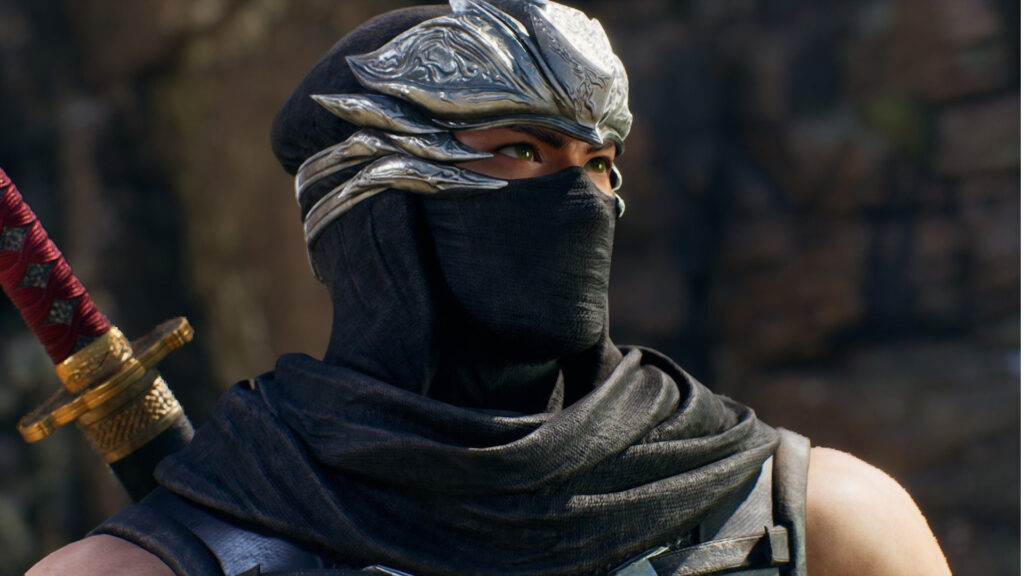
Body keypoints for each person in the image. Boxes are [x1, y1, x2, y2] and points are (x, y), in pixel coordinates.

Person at [28, 1, 951, 575]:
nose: (580, 199)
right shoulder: (144, 569)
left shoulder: (826, 529)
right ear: (376, 209)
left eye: (598, 162)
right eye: (520, 150)